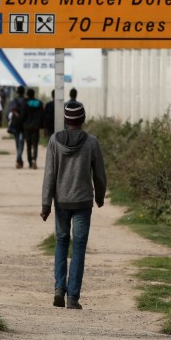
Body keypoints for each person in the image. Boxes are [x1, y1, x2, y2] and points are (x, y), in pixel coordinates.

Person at [40, 101, 107, 310]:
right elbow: (99, 174)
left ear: (66, 120)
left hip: (61, 202)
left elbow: (49, 174)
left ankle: (59, 288)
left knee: (61, 242)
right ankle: (73, 298)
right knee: (78, 247)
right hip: (83, 202)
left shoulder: (54, 141)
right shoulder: (91, 142)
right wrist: (100, 196)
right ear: (83, 119)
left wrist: (46, 204)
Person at [22, 88, 44, 169]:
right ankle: (34, 159)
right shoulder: (39, 103)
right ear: (34, 94)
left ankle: (30, 162)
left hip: (27, 127)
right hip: (36, 127)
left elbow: (23, 115)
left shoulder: (25, 103)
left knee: (28, 145)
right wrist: (43, 126)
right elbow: (42, 115)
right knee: (35, 145)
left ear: (27, 94)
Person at [8, 85, 27, 168]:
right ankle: (19, 159)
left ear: (17, 92)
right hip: (24, 124)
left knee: (17, 142)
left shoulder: (14, 101)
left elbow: (10, 111)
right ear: (24, 92)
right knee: (21, 142)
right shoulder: (26, 101)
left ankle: (18, 159)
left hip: (15, 124)